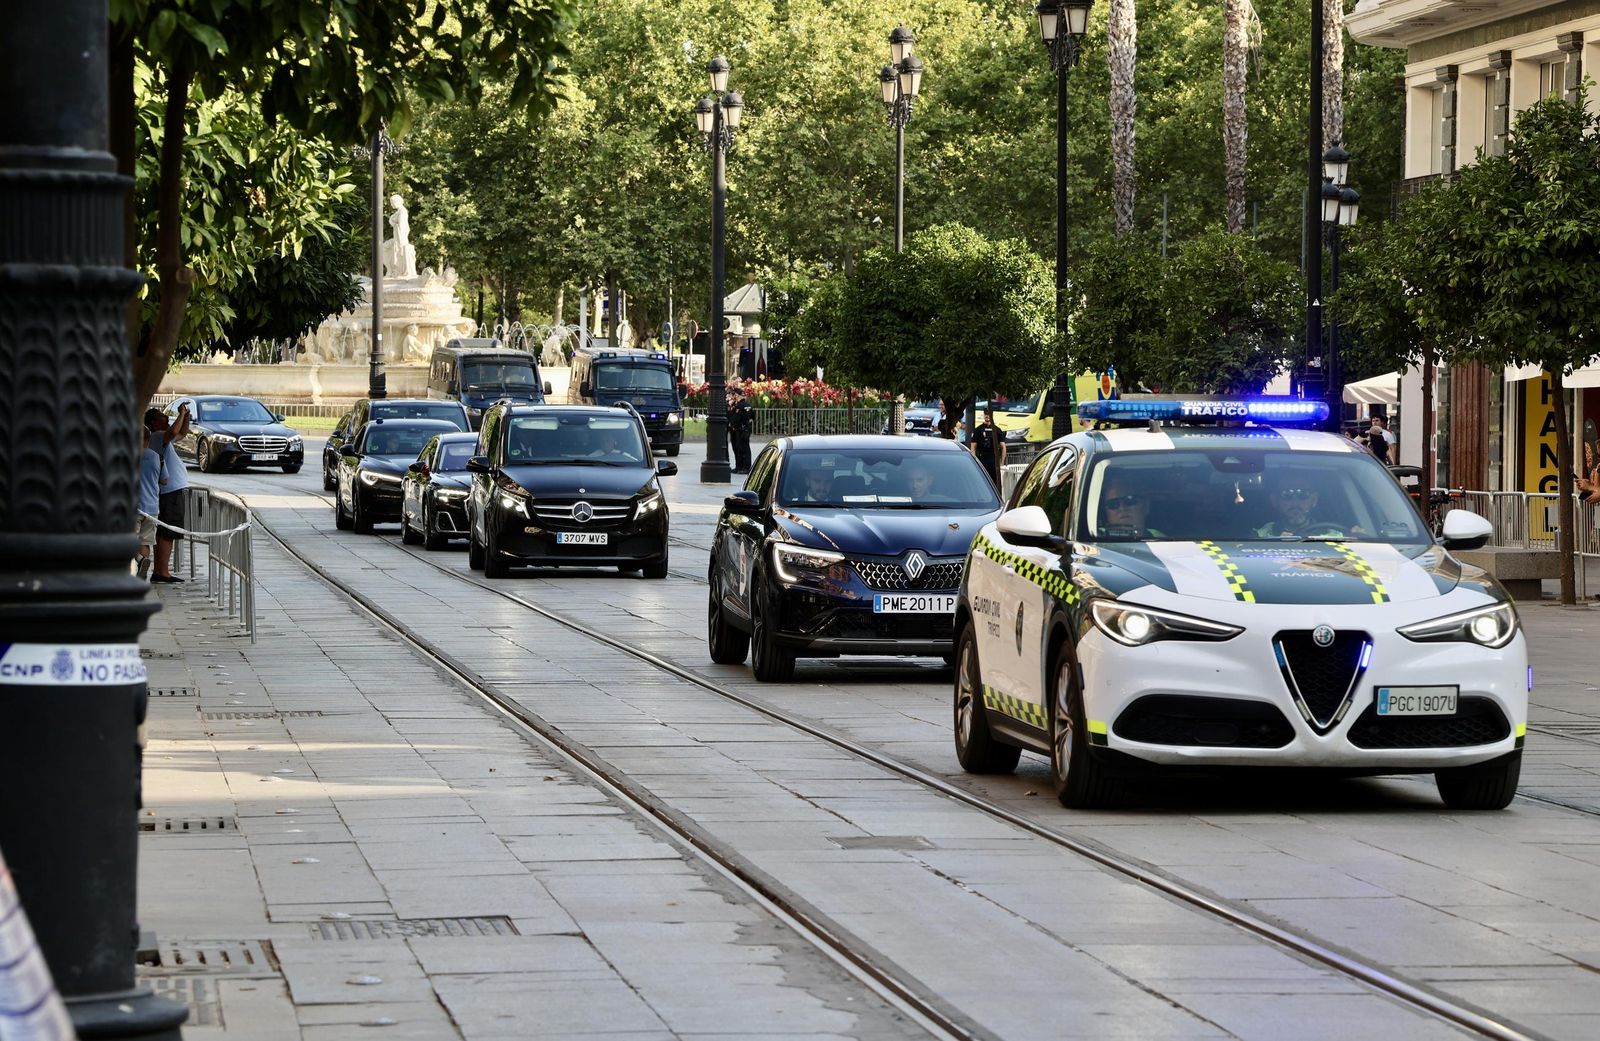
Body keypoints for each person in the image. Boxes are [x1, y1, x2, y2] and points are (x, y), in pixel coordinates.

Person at [145, 403, 191, 583]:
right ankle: (162, 572)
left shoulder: (158, 437)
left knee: (164, 532)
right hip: (169, 491)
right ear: (154, 423)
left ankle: (160, 570)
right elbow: (173, 433)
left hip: (169, 489)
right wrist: (180, 413)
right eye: (161, 415)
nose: (166, 417)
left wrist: (185, 418)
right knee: (167, 532)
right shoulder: (157, 435)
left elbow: (180, 434)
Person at [1256, 473, 1344, 537]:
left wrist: (1356, 535)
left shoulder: (1334, 535)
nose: (1295, 503)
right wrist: (1277, 544)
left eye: (1303, 494)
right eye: (1286, 494)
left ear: (1314, 499)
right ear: (1274, 500)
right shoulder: (1262, 535)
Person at [134, 425, 161, 580]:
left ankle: (139, 560)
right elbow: (164, 479)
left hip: (135, 507)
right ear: (149, 439)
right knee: (145, 542)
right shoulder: (155, 456)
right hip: (152, 507)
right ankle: (141, 576)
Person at [970, 405, 1006, 488]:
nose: (987, 416)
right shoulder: (978, 430)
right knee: (982, 481)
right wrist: (975, 461)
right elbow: (973, 447)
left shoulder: (997, 430)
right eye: (986, 414)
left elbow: (1003, 447)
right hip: (982, 458)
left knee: (995, 482)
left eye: (989, 414)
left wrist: (1002, 463)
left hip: (994, 459)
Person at [728, 386, 753, 474]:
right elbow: (752, 417)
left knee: (742, 448)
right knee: (741, 448)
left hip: (740, 429)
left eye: (734, 395)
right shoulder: (747, 405)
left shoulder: (739, 406)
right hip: (744, 429)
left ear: (738, 396)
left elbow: (736, 418)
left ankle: (744, 467)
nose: (733, 396)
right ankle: (740, 467)